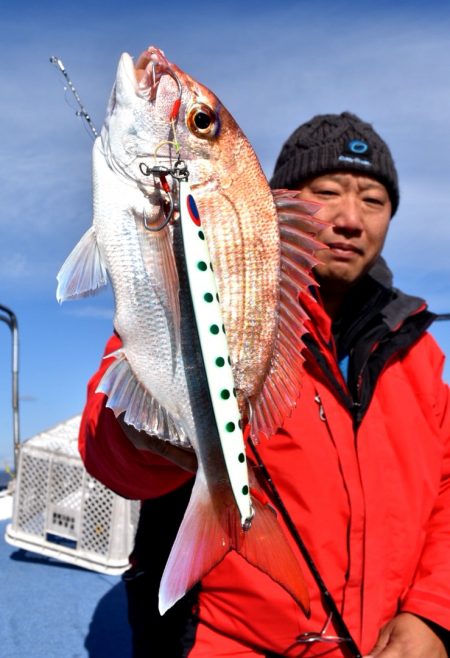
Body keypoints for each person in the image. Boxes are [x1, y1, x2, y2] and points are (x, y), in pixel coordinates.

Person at [78, 112, 450, 658]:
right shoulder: (208, 285)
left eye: (373, 200)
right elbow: (106, 448)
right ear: (270, 200)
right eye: (326, 192)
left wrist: (432, 615)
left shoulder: (418, 352)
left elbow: (446, 487)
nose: (351, 218)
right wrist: (142, 432)